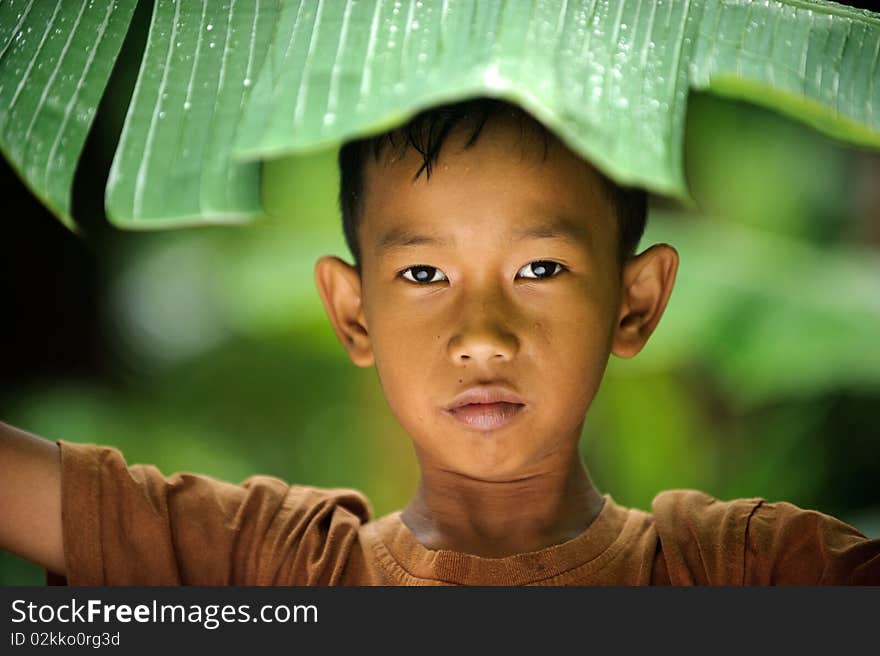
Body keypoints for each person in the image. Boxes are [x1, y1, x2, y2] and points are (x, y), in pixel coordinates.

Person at [1, 97, 877, 585]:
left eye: (539, 269)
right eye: (423, 277)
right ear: (352, 314)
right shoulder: (274, 571)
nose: (482, 337)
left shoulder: (751, 575)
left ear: (635, 302)